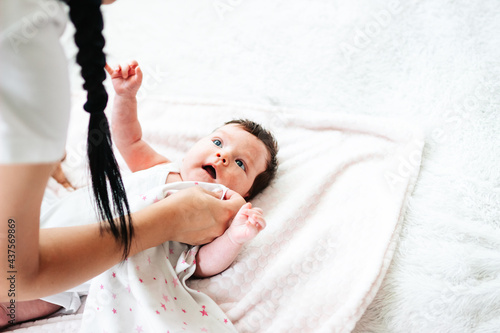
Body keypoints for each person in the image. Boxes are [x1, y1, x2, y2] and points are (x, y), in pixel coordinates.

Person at [0, 0, 244, 326]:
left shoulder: (216, 211)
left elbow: (201, 263)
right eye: (217, 141)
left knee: (17, 306)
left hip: (63, 274)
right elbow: (129, 140)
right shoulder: (162, 169)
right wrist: (126, 98)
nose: (223, 156)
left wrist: (236, 236)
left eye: (241, 164)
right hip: (41, 230)